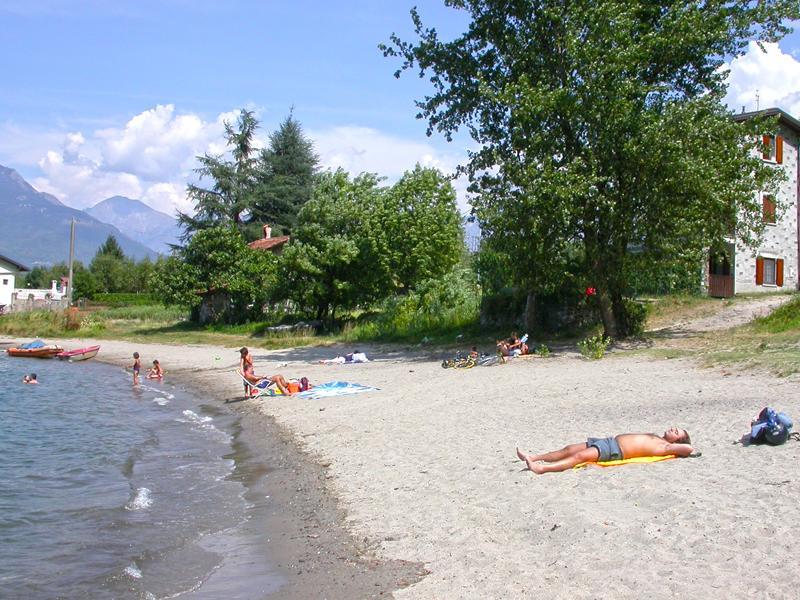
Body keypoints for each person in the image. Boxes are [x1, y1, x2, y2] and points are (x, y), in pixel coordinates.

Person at [516, 427, 693, 474]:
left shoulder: (665, 447)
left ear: (677, 441)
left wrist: (680, 447)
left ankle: (541, 469)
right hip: (609, 441)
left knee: (578, 456)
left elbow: (688, 448)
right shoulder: (658, 438)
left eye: (676, 432)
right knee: (569, 448)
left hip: (615, 450)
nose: (672, 429)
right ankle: (534, 457)